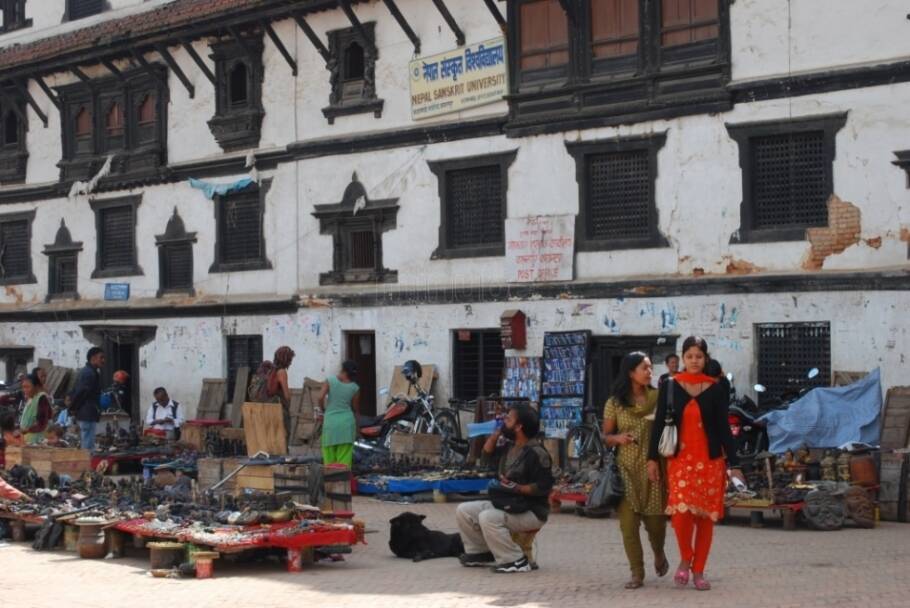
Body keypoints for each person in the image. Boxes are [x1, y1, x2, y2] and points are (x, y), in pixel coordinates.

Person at [647, 336, 745, 591]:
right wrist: (651, 459)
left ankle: (699, 570)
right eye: (689, 356)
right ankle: (685, 558)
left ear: (705, 359)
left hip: (710, 461)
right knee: (681, 515)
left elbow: (724, 428)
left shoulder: (716, 388)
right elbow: (658, 425)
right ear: (683, 358)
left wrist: (734, 464)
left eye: (698, 357)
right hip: (679, 461)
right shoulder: (670, 385)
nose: (694, 361)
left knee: (704, 519)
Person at [456, 404, 554, 574]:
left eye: (508, 419)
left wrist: (517, 488)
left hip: (531, 511)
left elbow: (543, 487)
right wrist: (495, 434)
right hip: (509, 504)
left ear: (518, 427)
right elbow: (485, 458)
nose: (503, 422)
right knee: (464, 510)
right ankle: (480, 552)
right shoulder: (509, 448)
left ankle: (515, 560)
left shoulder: (537, 453)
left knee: (488, 517)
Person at [602, 352, 668, 589]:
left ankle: (659, 553)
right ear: (631, 372)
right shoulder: (615, 403)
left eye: (650, 368)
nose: (649, 372)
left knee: (656, 525)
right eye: (644, 368)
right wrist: (618, 438)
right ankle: (636, 572)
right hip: (625, 470)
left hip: (653, 470)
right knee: (629, 526)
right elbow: (605, 436)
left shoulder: (658, 398)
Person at [317, 360, 361, 468]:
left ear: (343, 369)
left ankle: (330, 483)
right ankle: (343, 483)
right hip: (346, 425)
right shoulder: (355, 388)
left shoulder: (330, 380)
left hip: (330, 423)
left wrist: (324, 410)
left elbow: (320, 397)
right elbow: (355, 409)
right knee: (344, 463)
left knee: (329, 462)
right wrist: (358, 429)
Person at [69, 347, 105, 451]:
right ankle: (86, 466)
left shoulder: (89, 372)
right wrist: (73, 408)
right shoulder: (89, 373)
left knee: (88, 443)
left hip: (88, 412)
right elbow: (81, 393)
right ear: (93, 358)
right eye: (101, 357)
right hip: (87, 412)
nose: (103, 360)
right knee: (88, 446)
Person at [269, 346, 295, 442]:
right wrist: (289, 400)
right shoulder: (282, 372)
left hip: (269, 407)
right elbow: (286, 395)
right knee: (283, 435)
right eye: (290, 359)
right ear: (286, 359)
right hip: (280, 408)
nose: (291, 362)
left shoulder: (271, 370)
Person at [19, 372, 52, 445]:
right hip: (27, 440)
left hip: (37, 441)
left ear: (36, 386)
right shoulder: (31, 398)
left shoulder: (42, 398)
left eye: (28, 387)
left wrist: (26, 430)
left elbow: (42, 424)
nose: (25, 390)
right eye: (23, 387)